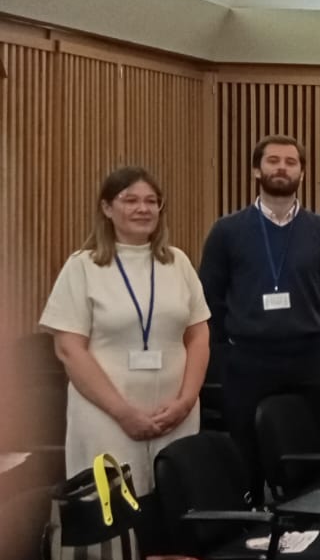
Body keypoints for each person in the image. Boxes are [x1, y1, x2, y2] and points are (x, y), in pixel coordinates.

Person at [40, 167, 211, 492]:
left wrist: (186, 402)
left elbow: (198, 335)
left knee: (174, 507)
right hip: (106, 417)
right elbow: (69, 349)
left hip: (175, 414)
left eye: (151, 201)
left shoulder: (178, 263)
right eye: (130, 200)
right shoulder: (83, 266)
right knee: (116, 517)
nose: (143, 209)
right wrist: (124, 414)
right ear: (106, 208)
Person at [199, 135, 320, 498]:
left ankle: (304, 527)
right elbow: (209, 298)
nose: (281, 168)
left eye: (291, 162)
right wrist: (225, 351)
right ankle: (250, 528)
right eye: (273, 160)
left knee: (304, 455)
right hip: (248, 361)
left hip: (308, 359)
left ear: (303, 173)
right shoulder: (226, 230)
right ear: (256, 170)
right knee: (246, 455)